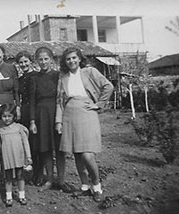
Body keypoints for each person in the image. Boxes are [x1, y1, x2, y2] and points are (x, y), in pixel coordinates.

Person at [55, 47, 114, 202]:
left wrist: (99, 104)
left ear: (80, 59)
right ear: (65, 62)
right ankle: (84, 186)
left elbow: (108, 86)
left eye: (74, 58)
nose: (71, 61)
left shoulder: (90, 72)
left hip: (87, 113)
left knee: (87, 155)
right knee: (76, 154)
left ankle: (96, 186)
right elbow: (59, 102)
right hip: (69, 115)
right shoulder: (63, 78)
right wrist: (58, 121)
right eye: (68, 59)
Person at [29, 47, 67, 192]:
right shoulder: (35, 78)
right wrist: (32, 121)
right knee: (46, 150)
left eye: (46, 59)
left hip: (57, 113)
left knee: (60, 149)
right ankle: (50, 179)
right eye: (40, 59)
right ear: (37, 61)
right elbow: (32, 101)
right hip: (41, 116)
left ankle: (61, 180)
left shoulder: (58, 75)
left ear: (51, 59)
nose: (43, 62)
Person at [0, 103, 32, 207]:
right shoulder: (0, 131)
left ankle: (22, 195)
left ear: (13, 116)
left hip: (18, 156)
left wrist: (28, 156)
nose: (7, 119)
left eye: (9, 116)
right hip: (7, 157)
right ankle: (8, 197)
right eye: (4, 116)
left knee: (20, 175)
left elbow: (25, 143)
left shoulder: (19, 128)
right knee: (8, 177)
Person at [15, 50, 39, 185]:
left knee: (36, 142)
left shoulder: (35, 76)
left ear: (30, 61)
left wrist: (33, 118)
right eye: (21, 62)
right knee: (26, 141)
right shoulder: (20, 79)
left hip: (34, 110)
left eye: (25, 61)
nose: (23, 64)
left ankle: (38, 173)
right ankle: (28, 171)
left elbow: (34, 97)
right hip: (24, 110)